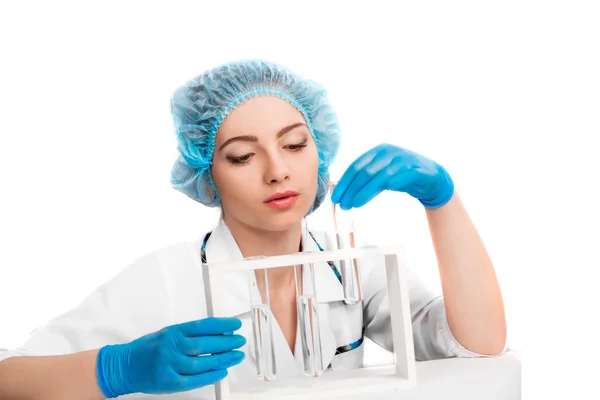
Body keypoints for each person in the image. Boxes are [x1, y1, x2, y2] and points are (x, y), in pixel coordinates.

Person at [0, 60, 508, 399]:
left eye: (293, 145)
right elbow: (7, 377)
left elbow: (476, 344)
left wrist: (442, 200)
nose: (277, 171)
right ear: (207, 177)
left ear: (320, 152)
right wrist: (117, 369)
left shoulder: (354, 268)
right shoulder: (168, 278)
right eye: (242, 155)